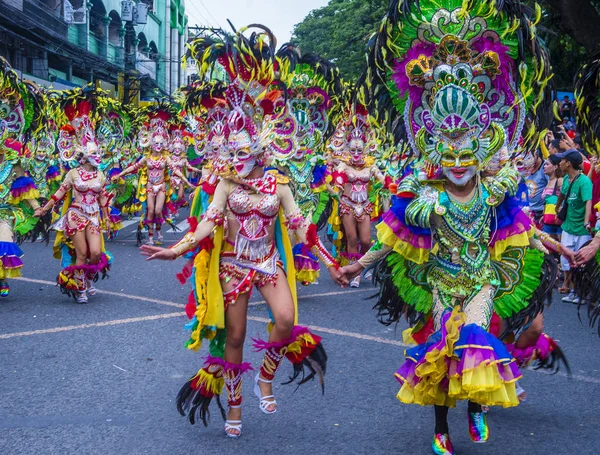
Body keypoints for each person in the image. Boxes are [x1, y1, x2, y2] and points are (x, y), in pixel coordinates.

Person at [339, 1, 554, 453]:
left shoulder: (494, 191)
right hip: (439, 281)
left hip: (480, 279)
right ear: (436, 152)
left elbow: (520, 228)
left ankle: (476, 407)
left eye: (465, 155)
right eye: (447, 155)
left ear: (479, 153)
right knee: (441, 350)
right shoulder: (425, 198)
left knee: (475, 337)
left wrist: (552, 244)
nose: (456, 164)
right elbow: (392, 238)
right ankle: (441, 426)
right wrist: (357, 265)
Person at [141, 27, 344, 439]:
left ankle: (264, 378)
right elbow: (207, 224)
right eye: (226, 153)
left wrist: (332, 264)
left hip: (268, 264)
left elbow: (302, 226)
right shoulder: (226, 185)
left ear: (260, 149)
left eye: (240, 152)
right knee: (234, 335)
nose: (231, 160)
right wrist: (174, 250)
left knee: (285, 320)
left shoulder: (280, 184)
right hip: (233, 267)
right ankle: (234, 405)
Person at [555, 149, 593, 302]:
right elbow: (562, 195)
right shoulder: (566, 179)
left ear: (568, 163)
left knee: (580, 262)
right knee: (566, 261)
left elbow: (588, 202)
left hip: (581, 230)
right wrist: (557, 209)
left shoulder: (584, 182)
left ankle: (581, 293)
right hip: (568, 227)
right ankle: (574, 291)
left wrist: (586, 222)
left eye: (562, 160)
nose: (560, 163)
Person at [541, 154, 564, 241]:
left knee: (559, 249)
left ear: (555, 167)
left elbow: (566, 197)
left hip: (558, 222)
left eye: (547, 164)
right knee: (549, 249)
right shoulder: (548, 182)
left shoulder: (559, 181)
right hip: (548, 221)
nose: (544, 166)